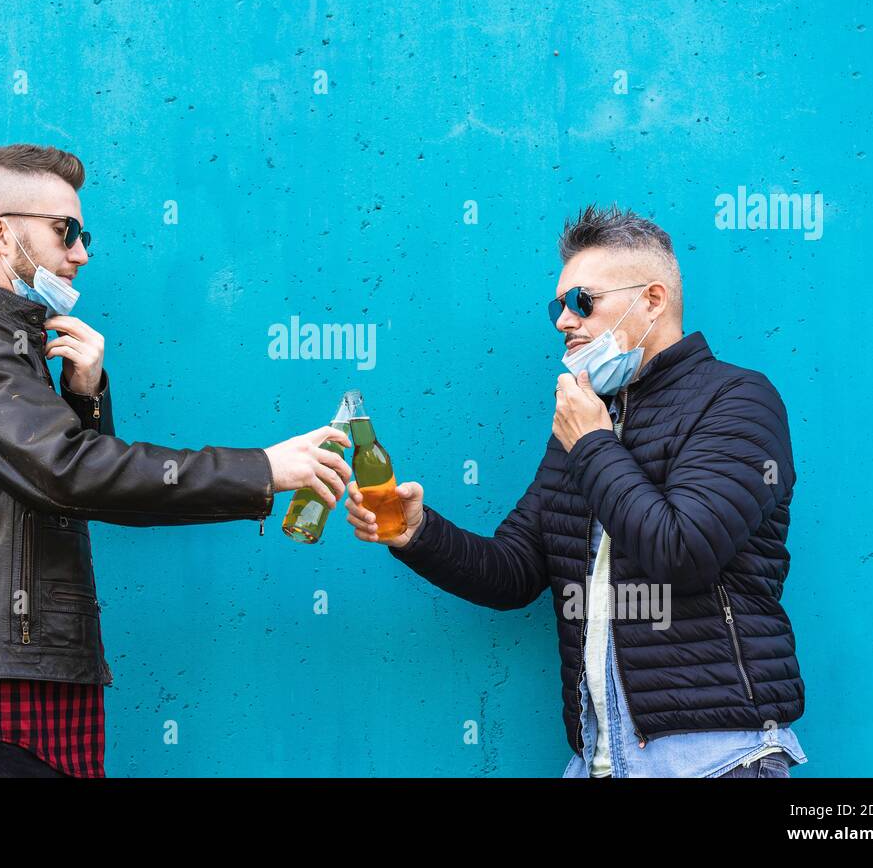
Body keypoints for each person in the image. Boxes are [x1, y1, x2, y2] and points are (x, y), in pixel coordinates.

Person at [0, 143, 350, 777]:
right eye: (64, 231)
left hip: (28, 692)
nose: (80, 253)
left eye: (82, 233)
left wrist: (84, 400)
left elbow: (66, 483)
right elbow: (70, 474)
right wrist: (262, 469)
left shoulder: (8, 349)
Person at [345, 205, 808, 778]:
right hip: (599, 761)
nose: (564, 320)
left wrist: (591, 441)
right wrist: (417, 532)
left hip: (716, 759)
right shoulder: (584, 423)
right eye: (557, 306)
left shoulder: (737, 400)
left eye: (582, 302)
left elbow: (683, 554)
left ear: (653, 300)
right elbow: (514, 571)